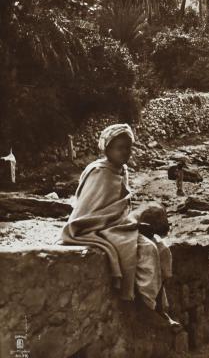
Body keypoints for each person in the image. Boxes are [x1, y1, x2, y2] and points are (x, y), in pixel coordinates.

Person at [60, 124, 174, 321]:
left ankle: (160, 305)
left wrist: (133, 223)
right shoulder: (99, 172)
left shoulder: (122, 170)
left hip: (119, 225)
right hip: (98, 228)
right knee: (147, 249)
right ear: (107, 149)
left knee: (162, 248)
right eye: (119, 147)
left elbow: (120, 209)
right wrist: (127, 224)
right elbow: (88, 213)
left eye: (128, 147)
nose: (125, 152)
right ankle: (146, 308)